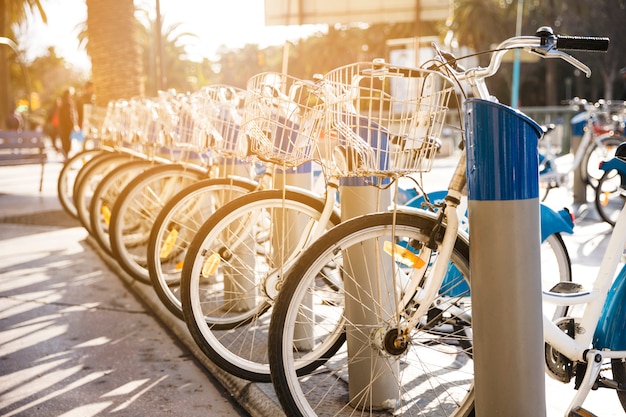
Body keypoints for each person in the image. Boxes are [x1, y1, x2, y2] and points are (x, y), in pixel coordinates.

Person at [58, 88, 78, 159]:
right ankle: (66, 160)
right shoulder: (68, 103)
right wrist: (73, 125)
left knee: (65, 143)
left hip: (62, 127)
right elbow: (69, 116)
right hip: (67, 127)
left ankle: (66, 159)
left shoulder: (62, 102)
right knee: (67, 144)